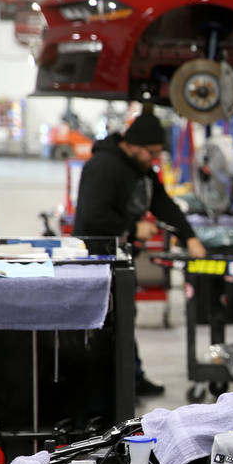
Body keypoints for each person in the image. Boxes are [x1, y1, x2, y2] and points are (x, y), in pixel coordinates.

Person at [73, 111, 207, 397]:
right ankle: (107, 385)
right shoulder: (102, 167)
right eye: (152, 153)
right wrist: (133, 228)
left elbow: (164, 204)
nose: (154, 159)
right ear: (133, 145)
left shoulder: (141, 169)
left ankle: (131, 378)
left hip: (120, 259)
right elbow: (91, 217)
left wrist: (190, 237)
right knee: (104, 324)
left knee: (124, 319)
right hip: (96, 261)